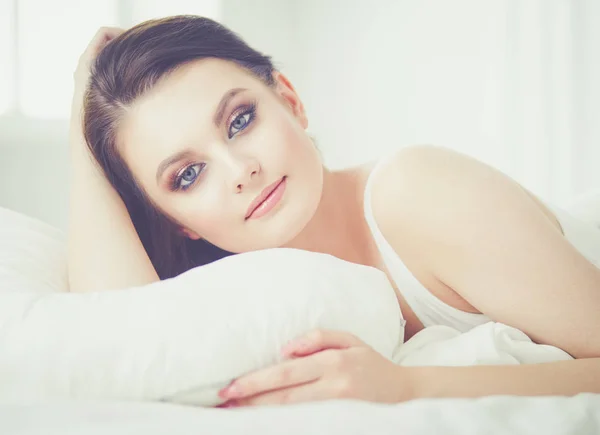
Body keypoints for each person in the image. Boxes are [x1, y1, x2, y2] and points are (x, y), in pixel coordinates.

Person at [69, 16, 600, 407]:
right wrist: (80, 120)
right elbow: (118, 336)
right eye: (187, 175)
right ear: (176, 222)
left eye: (240, 120)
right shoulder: (236, 302)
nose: (239, 169)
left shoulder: (418, 193)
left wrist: (409, 388)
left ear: (291, 102)